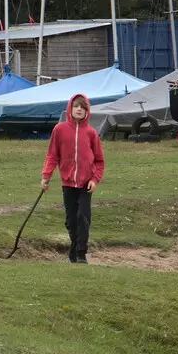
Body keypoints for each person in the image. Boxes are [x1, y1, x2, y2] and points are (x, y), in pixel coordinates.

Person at [40, 92, 105, 263]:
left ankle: (81, 253)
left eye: (82, 107)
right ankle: (74, 249)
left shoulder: (91, 133)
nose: (79, 110)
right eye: (76, 106)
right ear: (70, 108)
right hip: (67, 183)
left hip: (86, 184)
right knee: (71, 220)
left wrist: (95, 179)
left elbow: (99, 160)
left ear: (87, 111)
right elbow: (52, 155)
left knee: (83, 217)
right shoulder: (59, 130)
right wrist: (46, 176)